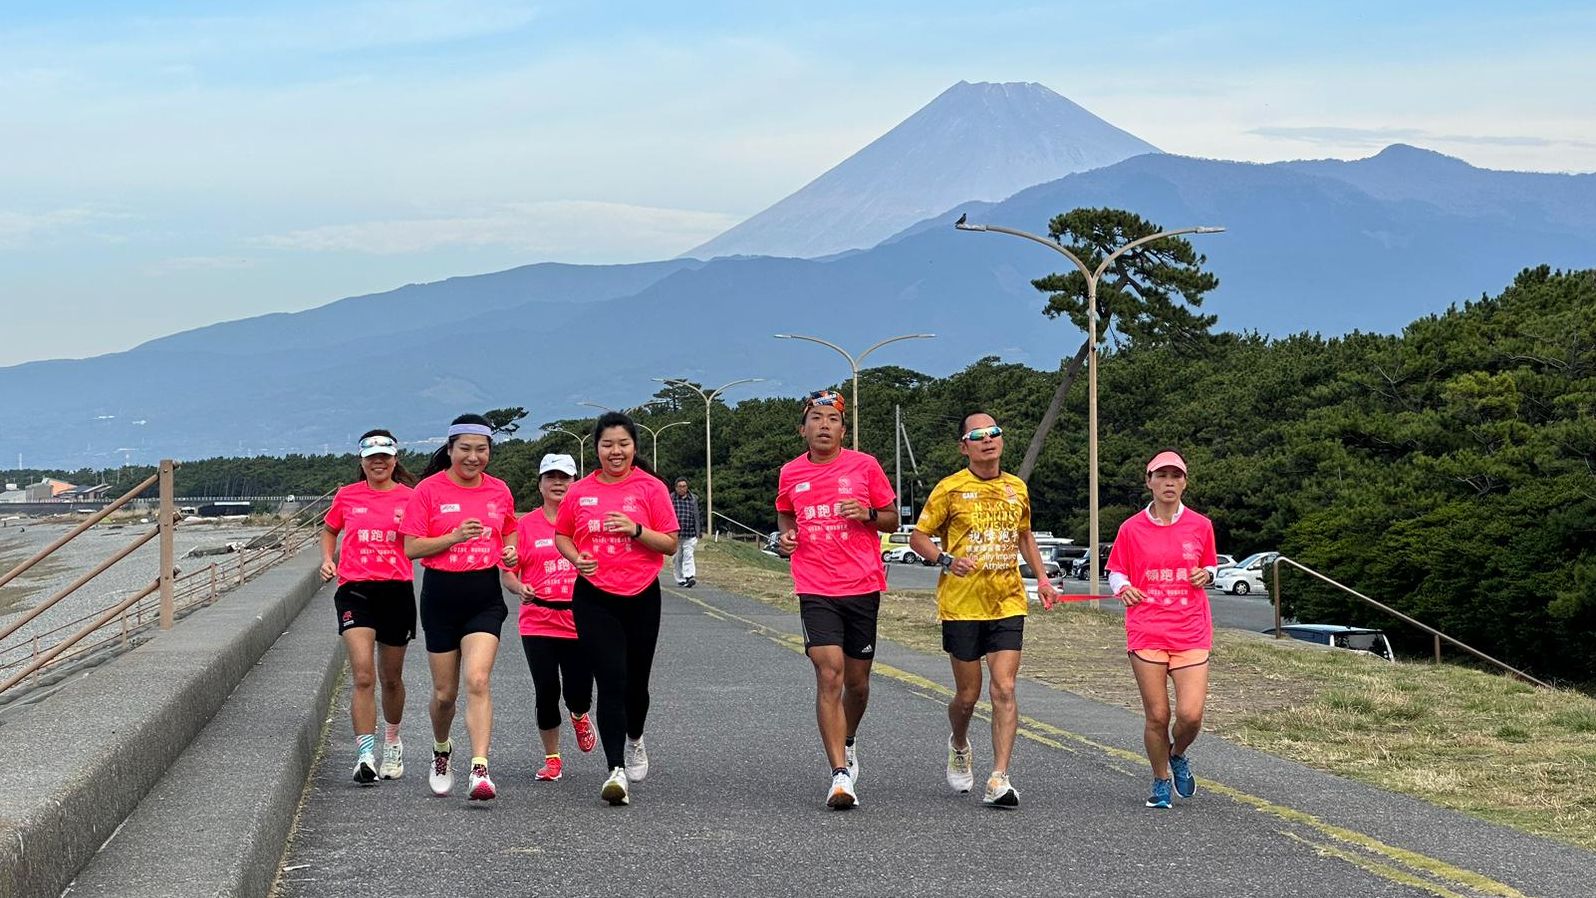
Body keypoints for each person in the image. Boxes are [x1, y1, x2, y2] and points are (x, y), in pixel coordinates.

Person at [910, 412, 1058, 808]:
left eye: (994, 433)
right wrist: (945, 560)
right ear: (964, 446)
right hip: (962, 604)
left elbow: (1024, 535)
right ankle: (959, 742)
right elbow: (917, 537)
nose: (988, 440)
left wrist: (1042, 579)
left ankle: (999, 778)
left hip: (1007, 600)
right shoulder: (950, 489)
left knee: (1005, 688)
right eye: (978, 435)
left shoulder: (1017, 488)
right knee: (967, 695)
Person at [775, 389, 897, 810]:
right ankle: (839, 775)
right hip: (814, 586)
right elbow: (786, 514)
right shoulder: (790, 472)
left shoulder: (865, 467)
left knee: (857, 684)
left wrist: (867, 515)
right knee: (830, 673)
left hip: (862, 585)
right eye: (816, 418)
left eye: (831, 419)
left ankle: (848, 738)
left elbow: (891, 517)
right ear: (803, 427)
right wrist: (786, 538)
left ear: (843, 429)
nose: (823, 425)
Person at [554, 412, 680, 806]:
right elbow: (561, 534)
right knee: (610, 679)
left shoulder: (651, 488)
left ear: (634, 448)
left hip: (642, 594)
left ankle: (635, 738)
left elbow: (671, 543)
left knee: (636, 683)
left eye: (623, 444)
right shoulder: (579, 492)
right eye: (607, 444)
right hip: (594, 595)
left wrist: (636, 530)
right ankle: (615, 770)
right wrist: (576, 558)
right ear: (596, 449)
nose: (615, 451)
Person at [401, 414, 519, 802]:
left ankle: (480, 768)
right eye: (465, 449)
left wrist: (511, 549)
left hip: (483, 594)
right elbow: (412, 548)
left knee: (478, 680)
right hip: (441, 595)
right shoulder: (428, 491)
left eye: (481, 450)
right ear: (450, 450)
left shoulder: (499, 490)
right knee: (445, 694)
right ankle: (440, 749)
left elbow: (511, 528)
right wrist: (452, 537)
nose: (473, 457)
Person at [1105, 449, 1218, 809]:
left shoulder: (1200, 525)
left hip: (1190, 631)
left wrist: (1208, 575)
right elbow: (1117, 571)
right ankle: (1159, 780)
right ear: (1149, 481)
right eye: (1161, 476)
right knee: (1157, 715)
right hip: (1147, 629)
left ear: (1184, 482)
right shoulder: (1131, 528)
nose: (1169, 482)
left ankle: (1178, 752)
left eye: (1176, 476)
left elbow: (1210, 565)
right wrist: (1123, 588)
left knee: (1190, 715)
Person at [319, 430, 418, 785]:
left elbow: (429, 536)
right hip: (355, 590)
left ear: (395, 459)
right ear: (362, 461)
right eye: (372, 456)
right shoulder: (347, 496)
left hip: (396, 591)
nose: (379, 461)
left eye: (385, 456)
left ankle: (392, 742)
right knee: (363, 674)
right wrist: (328, 560)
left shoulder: (411, 497)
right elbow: (330, 530)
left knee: (391, 679)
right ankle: (365, 754)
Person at [501, 453, 596, 782]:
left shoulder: (586, 524)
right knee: (545, 690)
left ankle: (580, 713)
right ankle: (552, 758)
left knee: (579, 690)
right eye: (551, 477)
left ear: (575, 484)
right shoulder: (524, 526)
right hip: (537, 619)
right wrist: (519, 587)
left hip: (579, 619)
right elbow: (508, 573)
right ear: (540, 484)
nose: (558, 483)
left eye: (565, 478)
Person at [670, 478, 702, 588]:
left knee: (688, 554)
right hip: (675, 533)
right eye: (680, 486)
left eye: (684, 486)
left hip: (690, 533)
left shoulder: (693, 499)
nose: (682, 488)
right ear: (676, 488)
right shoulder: (671, 499)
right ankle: (680, 578)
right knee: (677, 557)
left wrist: (699, 531)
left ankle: (690, 576)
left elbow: (697, 516)